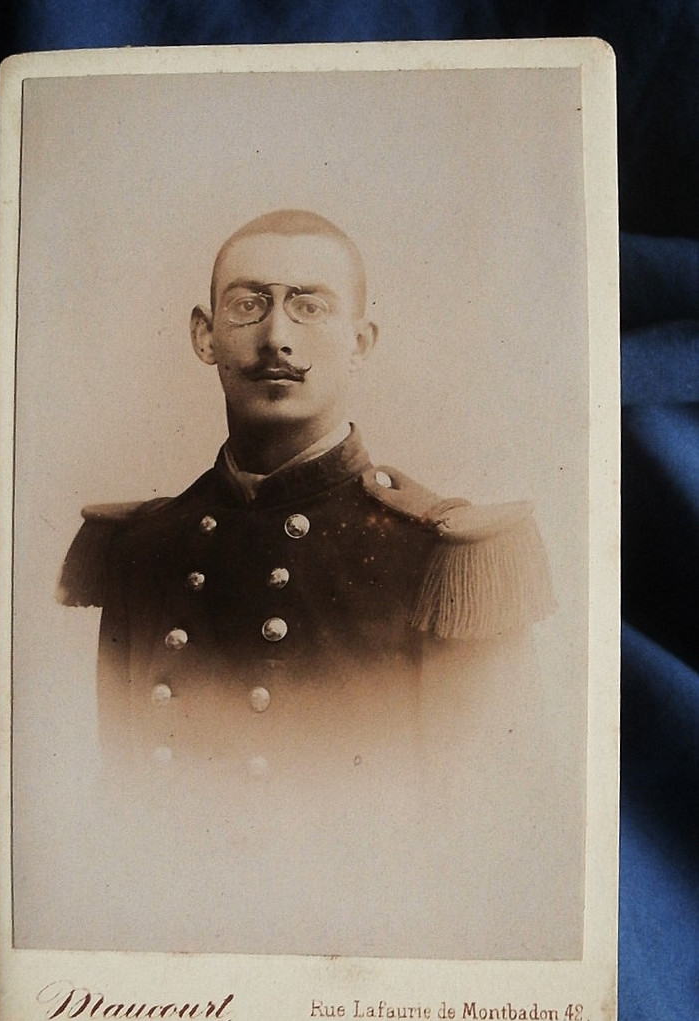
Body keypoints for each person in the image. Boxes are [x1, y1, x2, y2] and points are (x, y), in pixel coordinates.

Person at [58, 209, 555, 764]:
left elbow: (495, 818)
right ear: (205, 335)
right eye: (248, 306)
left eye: (309, 307)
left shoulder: (447, 560)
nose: (276, 339)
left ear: (359, 343)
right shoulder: (141, 548)